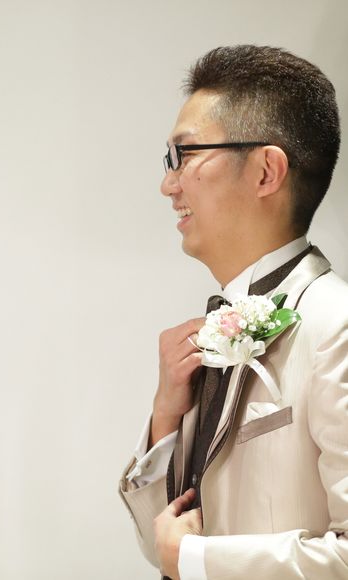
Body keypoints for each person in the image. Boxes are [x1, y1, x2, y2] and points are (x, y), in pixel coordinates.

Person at [118, 45, 348, 579]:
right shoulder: (214, 334)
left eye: (186, 155)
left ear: (266, 171)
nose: (169, 184)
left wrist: (198, 559)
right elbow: (163, 549)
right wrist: (165, 418)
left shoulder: (336, 326)